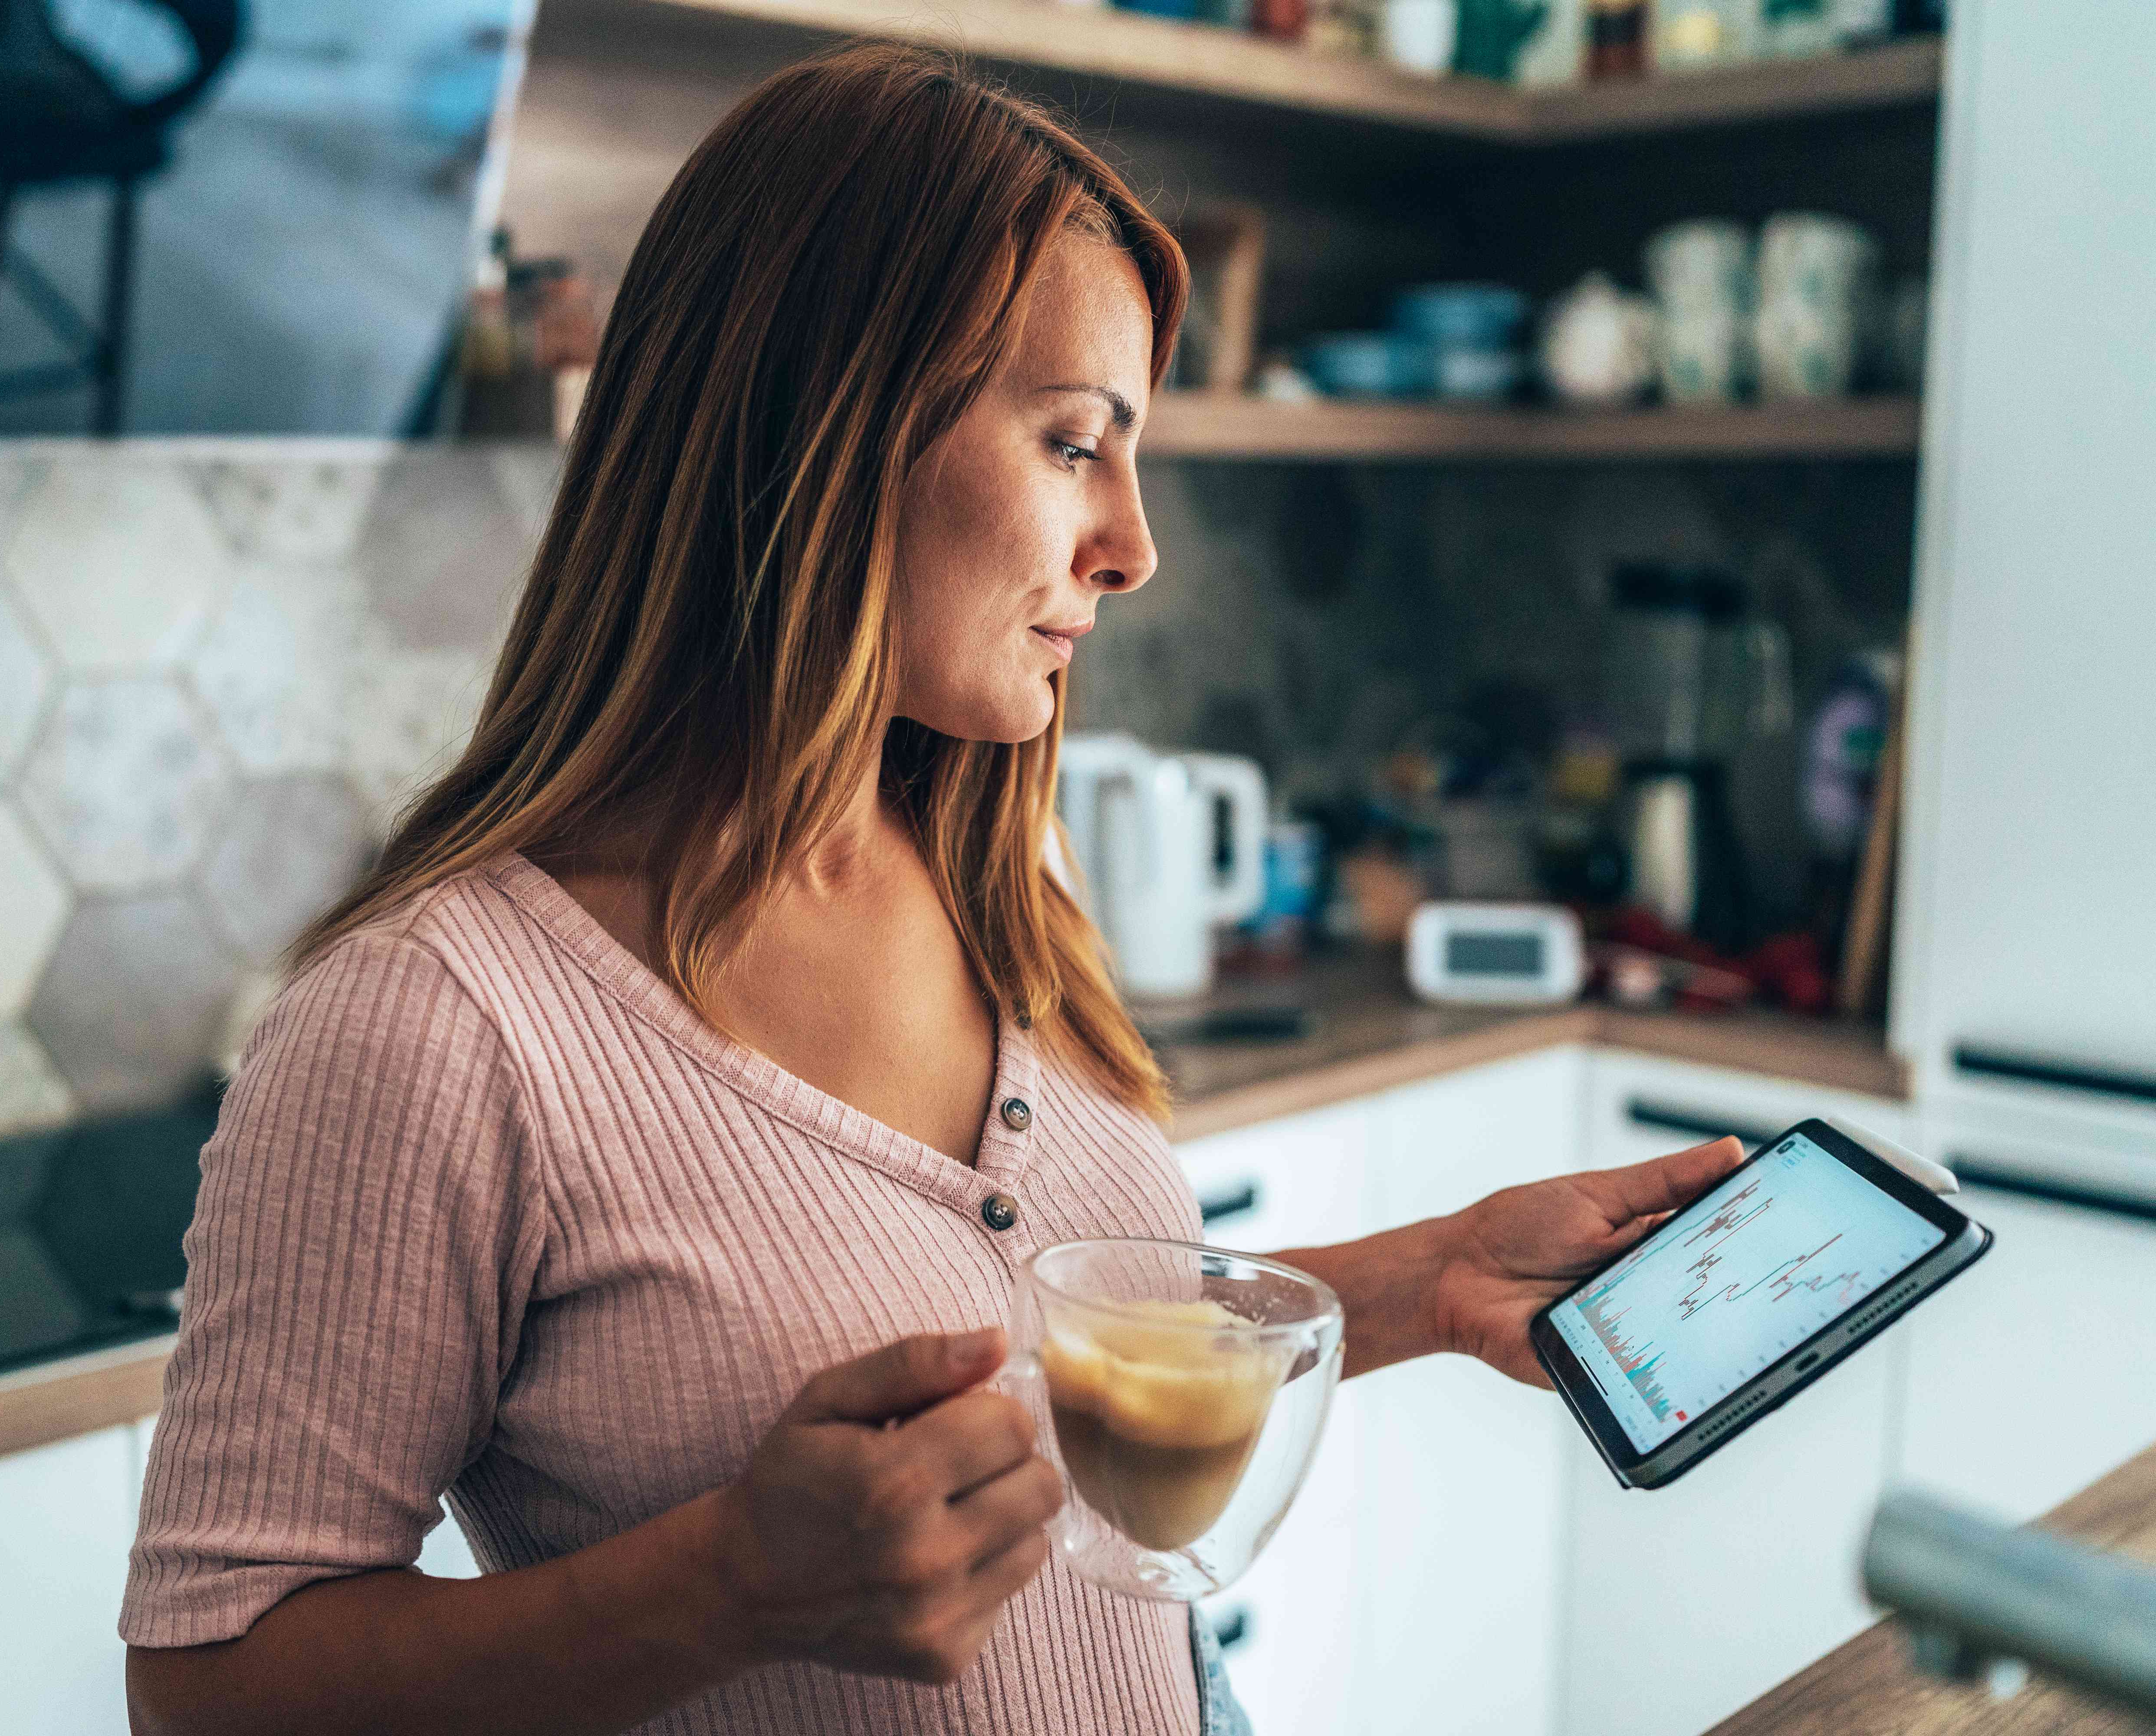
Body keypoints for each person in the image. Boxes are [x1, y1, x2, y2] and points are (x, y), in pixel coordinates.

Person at [120, 42, 1740, 1736]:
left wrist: (1428, 1279)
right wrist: (728, 1584)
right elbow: (207, 1692)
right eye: (1072, 442)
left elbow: (1024, 1350)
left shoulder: (994, 869)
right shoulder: (436, 1025)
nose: (1133, 541)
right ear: (824, 421)